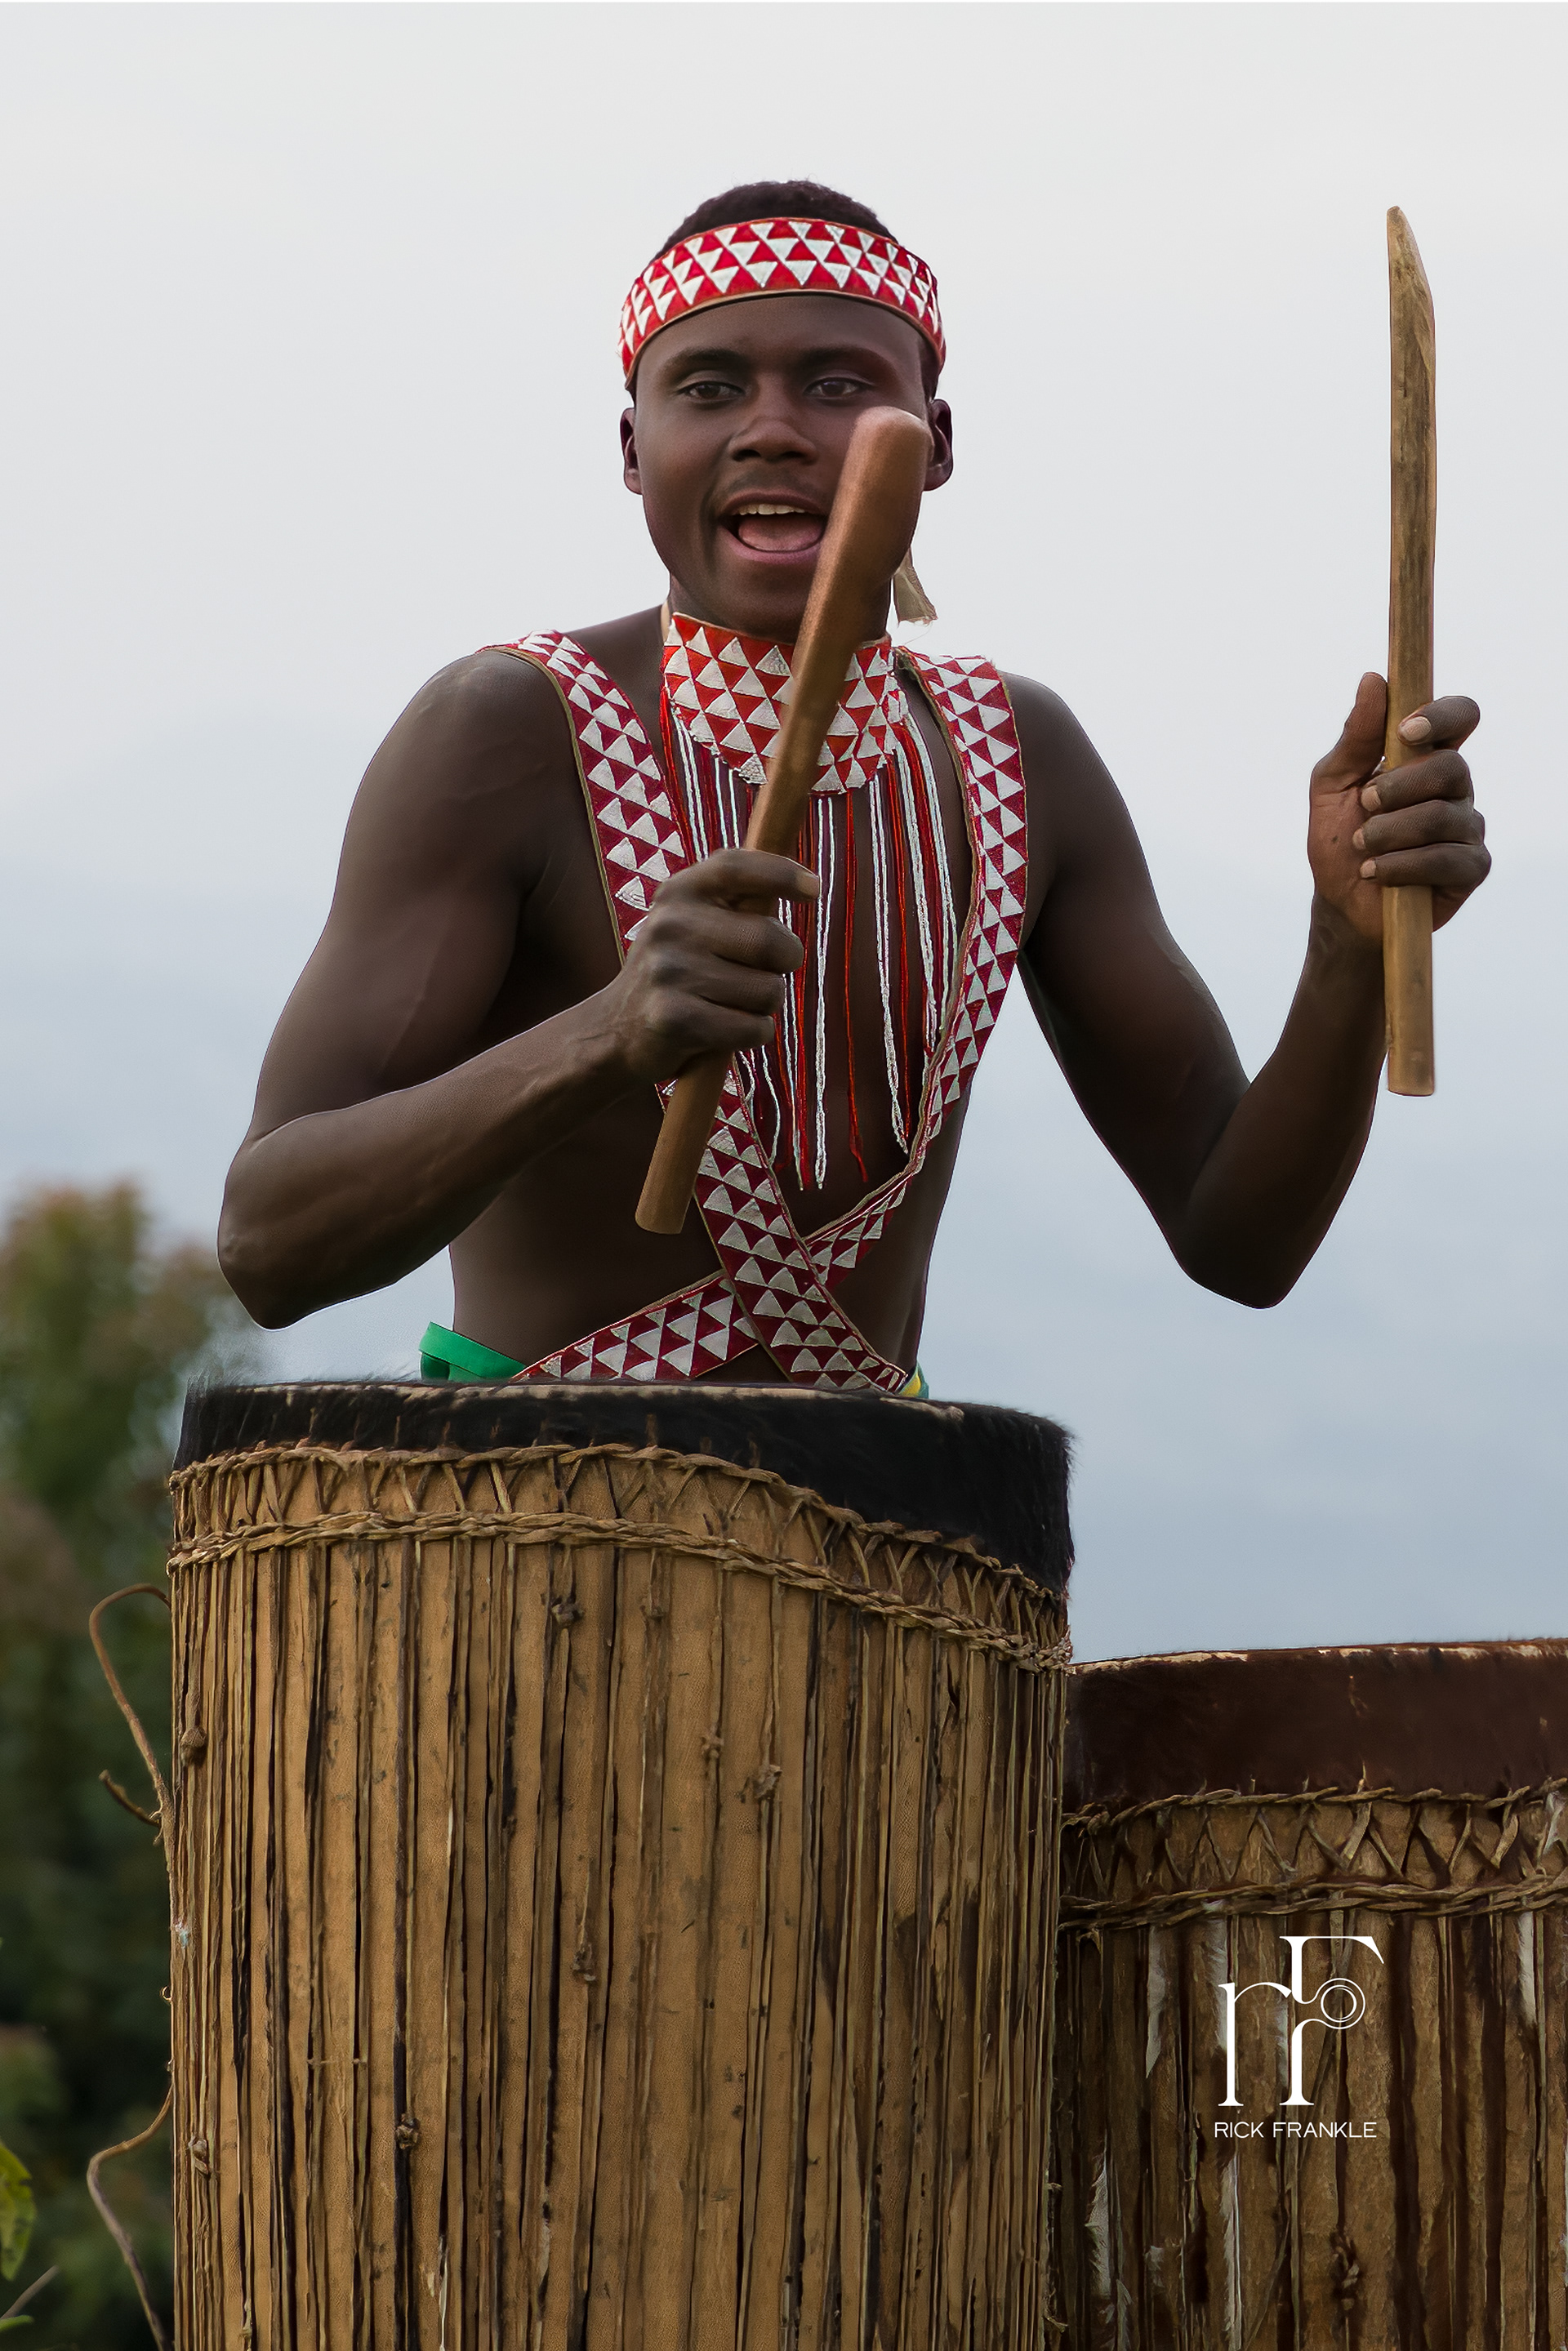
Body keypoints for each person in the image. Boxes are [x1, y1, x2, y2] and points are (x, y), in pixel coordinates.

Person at [218, 179, 1490, 1394]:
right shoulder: (505, 732)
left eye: (839, 386)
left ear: (935, 443)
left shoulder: (1017, 755)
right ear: (632, 447)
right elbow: (271, 1242)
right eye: (709, 388)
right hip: (529, 1523)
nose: (773, 428)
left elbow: (1241, 1243)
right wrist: (604, 1038)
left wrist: (1348, 940)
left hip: (879, 1540)